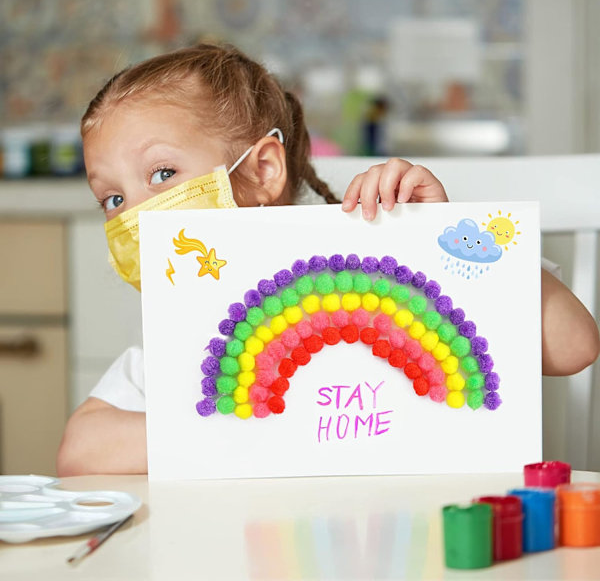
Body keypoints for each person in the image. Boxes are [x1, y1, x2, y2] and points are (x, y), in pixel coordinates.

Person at [56, 43, 599, 476]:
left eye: (162, 175)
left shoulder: (377, 239)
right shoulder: (199, 318)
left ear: (264, 170)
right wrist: (244, 427)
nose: (135, 214)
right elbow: (81, 449)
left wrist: (443, 240)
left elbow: (575, 346)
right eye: (113, 199)